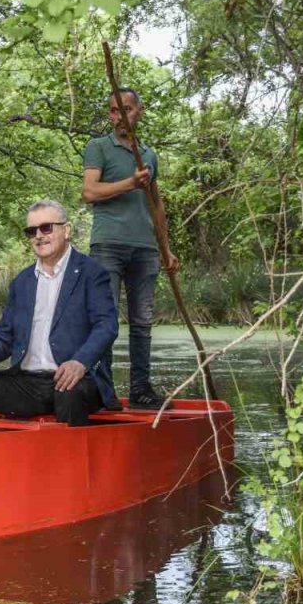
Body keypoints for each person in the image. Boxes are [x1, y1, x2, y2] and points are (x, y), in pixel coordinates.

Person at [0, 200, 118, 426]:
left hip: (78, 380)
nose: (39, 236)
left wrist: (80, 362)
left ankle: (69, 458)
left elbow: (106, 326)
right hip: (27, 384)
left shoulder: (92, 273)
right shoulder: (22, 282)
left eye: (46, 228)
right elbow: (3, 338)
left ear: (67, 230)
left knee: (69, 389)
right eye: (31, 231)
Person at [81, 89, 179, 410]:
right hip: (108, 244)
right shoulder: (99, 147)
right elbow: (90, 191)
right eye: (113, 111)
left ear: (139, 111)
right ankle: (103, 392)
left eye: (126, 109)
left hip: (146, 249)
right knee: (104, 319)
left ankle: (140, 389)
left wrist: (165, 249)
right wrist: (130, 183)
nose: (119, 117)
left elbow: (157, 205)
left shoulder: (148, 155)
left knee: (142, 322)